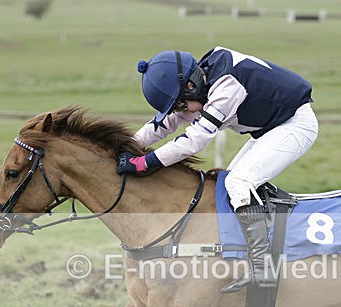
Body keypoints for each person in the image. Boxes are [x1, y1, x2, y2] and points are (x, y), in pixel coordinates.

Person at [117, 46, 318, 293]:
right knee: (227, 187)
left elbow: (195, 140)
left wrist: (145, 162)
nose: (185, 111)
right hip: (271, 128)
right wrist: (128, 146)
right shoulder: (200, 79)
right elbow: (168, 121)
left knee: (238, 184)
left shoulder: (226, 86)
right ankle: (246, 254)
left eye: (182, 105)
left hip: (295, 125)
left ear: (191, 86)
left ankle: (264, 267)